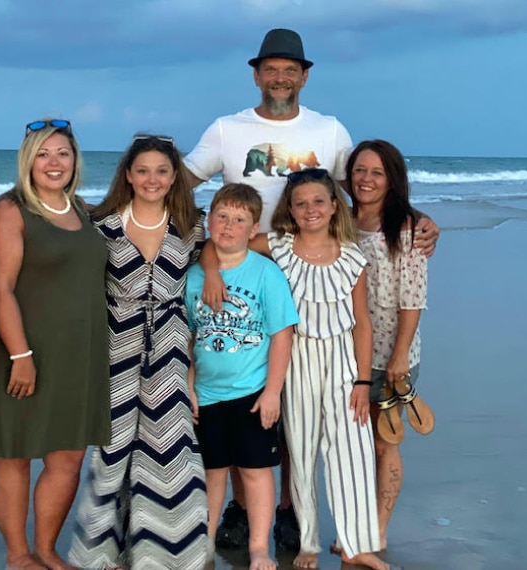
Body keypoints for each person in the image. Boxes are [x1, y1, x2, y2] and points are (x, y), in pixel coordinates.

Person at [185, 27, 440, 549]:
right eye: (270, 69)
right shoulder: (227, 129)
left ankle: (300, 514)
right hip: (255, 277)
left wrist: (415, 218)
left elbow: (366, 186)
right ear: (256, 75)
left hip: (322, 280)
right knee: (256, 400)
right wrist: (203, 252)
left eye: (290, 69)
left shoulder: (329, 130)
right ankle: (244, 504)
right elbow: (177, 183)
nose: (280, 77)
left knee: (326, 421)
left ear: (304, 76)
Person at [69, 135, 210, 569]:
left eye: (162, 171)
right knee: (112, 449)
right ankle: (99, 554)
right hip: (115, 344)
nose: (153, 179)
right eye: (143, 170)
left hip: (170, 346)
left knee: (169, 447)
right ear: (128, 175)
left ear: (175, 178)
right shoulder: (100, 225)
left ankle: (165, 553)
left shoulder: (191, 226)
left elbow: (229, 252)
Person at [0, 119, 111, 570]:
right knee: (15, 452)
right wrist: (21, 356)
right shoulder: (12, 210)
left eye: (62, 154)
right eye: (43, 154)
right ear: (28, 161)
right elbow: (0, 288)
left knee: (68, 456)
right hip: (22, 352)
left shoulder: (86, 212)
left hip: (81, 355)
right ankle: (18, 554)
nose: (54, 163)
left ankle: (47, 550)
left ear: (75, 161)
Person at [246, 168, 386, 570]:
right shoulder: (278, 246)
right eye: (301, 202)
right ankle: (308, 541)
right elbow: (225, 245)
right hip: (295, 359)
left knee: (352, 451)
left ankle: (356, 543)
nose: (310, 209)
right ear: (289, 209)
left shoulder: (353, 256)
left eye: (318, 201)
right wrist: (209, 271)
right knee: (302, 450)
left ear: (333, 206)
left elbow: (362, 323)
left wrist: (363, 379)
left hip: (344, 363)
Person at [185, 183, 297, 570]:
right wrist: (189, 387)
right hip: (206, 394)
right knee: (212, 472)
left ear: (253, 229)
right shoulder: (194, 277)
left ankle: (259, 549)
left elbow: (282, 334)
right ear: (209, 221)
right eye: (221, 217)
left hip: (251, 392)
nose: (228, 226)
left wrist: (273, 393)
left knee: (255, 472)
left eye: (239, 220)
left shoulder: (266, 273)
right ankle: (206, 542)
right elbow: (188, 336)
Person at [346, 140, 428, 551]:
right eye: (360, 170)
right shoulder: (339, 222)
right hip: (346, 354)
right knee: (352, 444)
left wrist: (399, 355)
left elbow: (413, 298)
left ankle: (377, 530)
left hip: (390, 357)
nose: (366, 179)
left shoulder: (407, 227)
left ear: (392, 179)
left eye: (377, 172)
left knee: (385, 443)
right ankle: (355, 526)